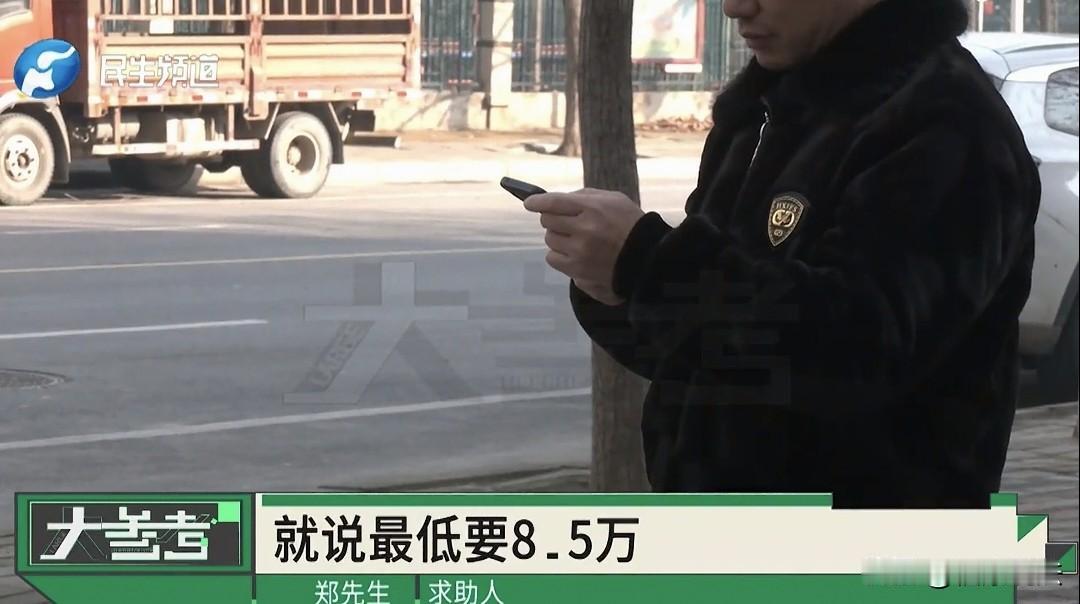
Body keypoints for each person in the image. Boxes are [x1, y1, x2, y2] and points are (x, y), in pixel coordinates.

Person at [523, 0, 1041, 508]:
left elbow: (856, 351)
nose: (734, 9)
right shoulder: (767, 108)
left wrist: (651, 266)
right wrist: (617, 288)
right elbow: (712, 351)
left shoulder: (944, 122)